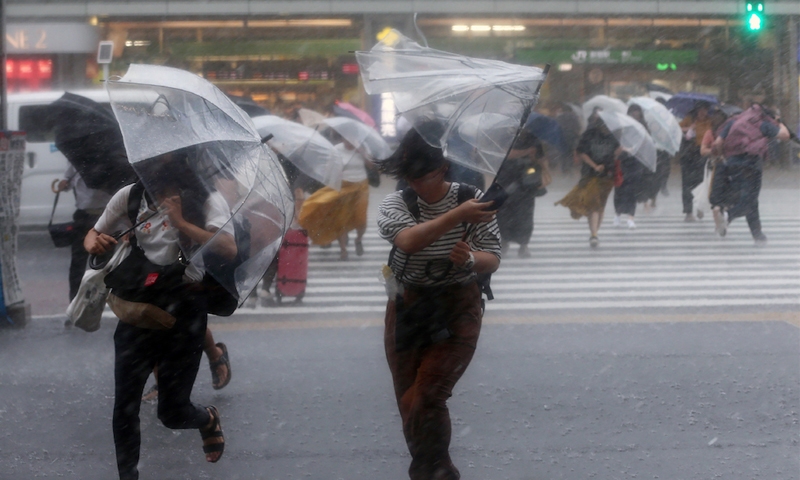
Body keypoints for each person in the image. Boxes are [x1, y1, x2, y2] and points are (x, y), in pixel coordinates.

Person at [84, 152, 231, 479]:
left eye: (165, 166)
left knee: (173, 413)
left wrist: (181, 223)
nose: (155, 175)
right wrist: (96, 242)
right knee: (125, 405)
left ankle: (206, 418)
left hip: (185, 311)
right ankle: (128, 475)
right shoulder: (131, 195)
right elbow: (92, 234)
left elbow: (227, 248)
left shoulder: (207, 200)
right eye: (150, 167)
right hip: (139, 306)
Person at [377, 126, 501, 480]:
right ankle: (435, 468)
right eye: (409, 177)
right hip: (407, 305)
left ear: (443, 168)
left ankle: (435, 471)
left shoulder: (473, 198)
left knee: (428, 395)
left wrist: (471, 260)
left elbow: (492, 256)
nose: (415, 184)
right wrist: (457, 216)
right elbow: (408, 241)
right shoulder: (396, 203)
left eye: (423, 176)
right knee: (408, 402)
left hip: (457, 304)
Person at [711, 103, 790, 243]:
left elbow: (718, 142)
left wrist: (724, 156)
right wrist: (780, 123)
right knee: (749, 201)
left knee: (750, 201)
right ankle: (728, 216)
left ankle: (758, 235)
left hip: (732, 164)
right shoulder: (761, 123)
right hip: (751, 165)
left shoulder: (735, 121)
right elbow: (785, 135)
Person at [298, 138, 373, 260]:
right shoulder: (337, 149)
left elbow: (372, 166)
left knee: (361, 220)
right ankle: (343, 250)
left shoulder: (363, 147)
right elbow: (329, 168)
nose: (348, 142)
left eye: (350, 138)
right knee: (341, 219)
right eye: (345, 138)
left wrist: (363, 153)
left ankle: (358, 239)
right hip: (343, 186)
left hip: (361, 186)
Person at [555, 111, 620, 248]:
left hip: (607, 175)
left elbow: (614, 154)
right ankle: (594, 234)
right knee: (593, 206)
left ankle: (595, 232)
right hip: (590, 174)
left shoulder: (613, 137)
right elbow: (582, 152)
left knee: (600, 206)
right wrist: (595, 166)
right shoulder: (589, 135)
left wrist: (619, 152)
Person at [55, 165, 112, 302]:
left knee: (103, 263)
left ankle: (100, 299)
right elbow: (67, 180)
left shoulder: (110, 163)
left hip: (105, 217)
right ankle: (74, 300)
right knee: (78, 262)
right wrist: (63, 184)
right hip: (83, 217)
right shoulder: (78, 159)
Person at [495, 131, 551, 257]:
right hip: (506, 179)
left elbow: (541, 158)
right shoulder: (505, 136)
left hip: (527, 181)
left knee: (525, 214)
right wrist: (526, 152)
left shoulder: (533, 138)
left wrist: (543, 169)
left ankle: (523, 244)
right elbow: (506, 154)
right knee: (504, 214)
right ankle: (504, 241)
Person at [613, 105, 647, 229]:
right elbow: (616, 142)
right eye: (633, 112)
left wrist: (635, 149)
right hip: (622, 161)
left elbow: (646, 143)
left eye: (637, 112)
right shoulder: (623, 126)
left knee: (632, 190)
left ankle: (631, 217)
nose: (635, 114)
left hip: (636, 162)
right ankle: (617, 214)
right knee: (620, 188)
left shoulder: (643, 127)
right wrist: (622, 149)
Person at [679, 101, 713, 221]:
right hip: (689, 154)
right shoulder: (689, 119)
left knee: (701, 183)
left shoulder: (710, 121)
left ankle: (699, 207)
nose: (703, 112)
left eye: (705, 109)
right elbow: (677, 128)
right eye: (701, 109)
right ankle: (688, 211)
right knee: (687, 184)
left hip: (702, 154)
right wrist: (689, 128)